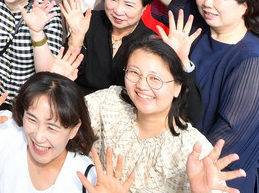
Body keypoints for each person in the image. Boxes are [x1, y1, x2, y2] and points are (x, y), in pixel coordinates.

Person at [152, 0, 259, 193]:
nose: (207, 3)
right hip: (177, 140)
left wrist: (180, 166)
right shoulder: (200, 21)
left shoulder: (252, 63)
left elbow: (227, 139)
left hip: (207, 171)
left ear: (244, 6)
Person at [85, 37, 213, 192]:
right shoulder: (109, 103)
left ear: (177, 87)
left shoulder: (192, 149)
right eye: (134, 72)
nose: (142, 85)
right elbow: (64, 124)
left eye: (155, 78)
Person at [0, 73, 97, 192]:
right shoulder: (4, 129)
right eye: (32, 119)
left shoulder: (87, 178)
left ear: (74, 129)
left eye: (52, 127)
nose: (38, 137)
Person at [61, 0, 157, 94]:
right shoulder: (90, 21)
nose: (118, 10)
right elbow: (65, 74)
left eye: (128, 5)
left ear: (144, 7)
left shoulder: (150, 41)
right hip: (79, 104)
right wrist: (77, 37)